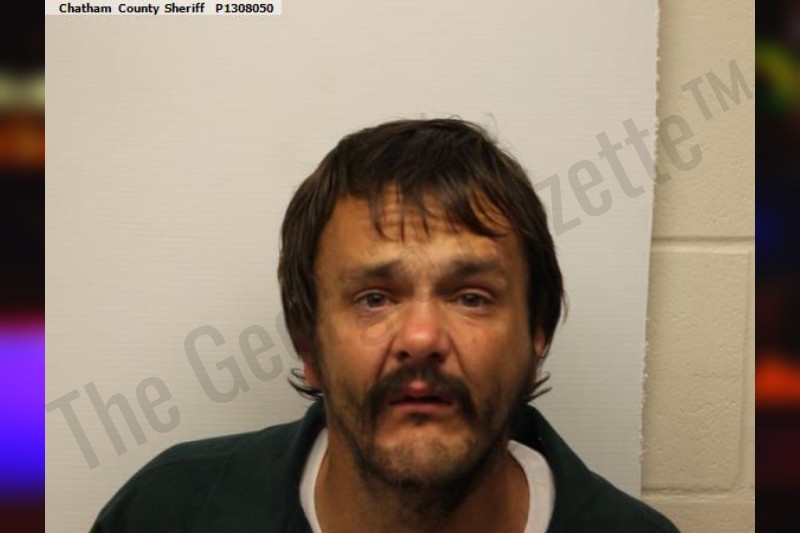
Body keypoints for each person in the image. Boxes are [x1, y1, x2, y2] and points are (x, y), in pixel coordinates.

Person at [91, 119, 679, 532]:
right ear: (308, 344)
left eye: (471, 297)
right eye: (374, 299)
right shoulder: (167, 513)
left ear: (537, 333)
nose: (421, 338)